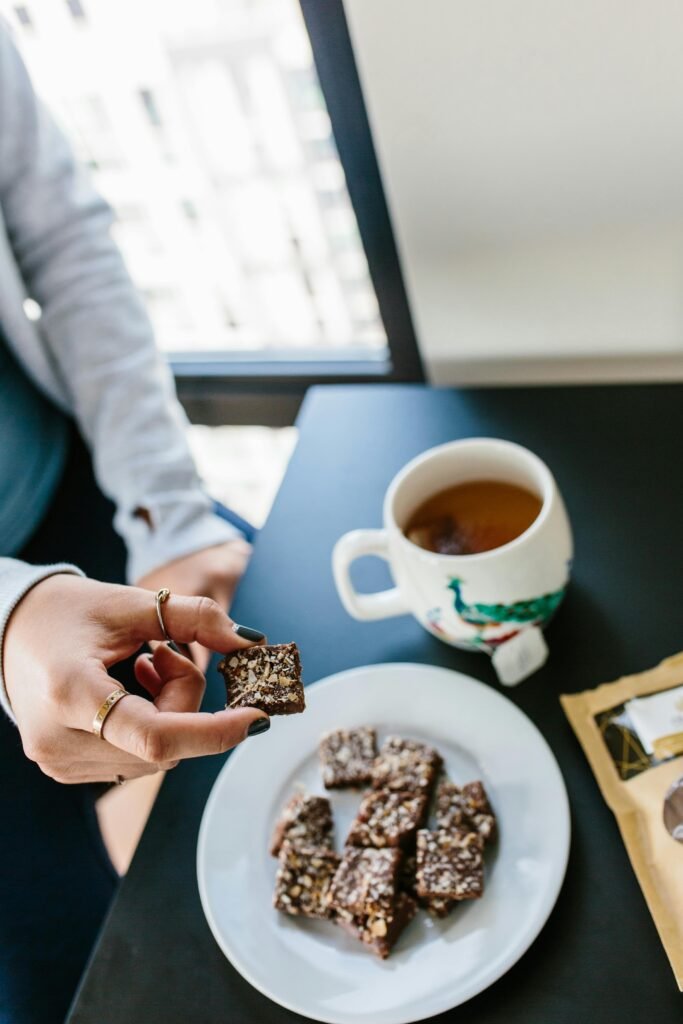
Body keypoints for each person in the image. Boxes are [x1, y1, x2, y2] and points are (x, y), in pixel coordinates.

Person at [0, 21, 270, 1024]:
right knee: (70, 978)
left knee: (287, 657)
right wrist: (8, 607)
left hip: (74, 477)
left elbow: (59, 237)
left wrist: (166, 516)